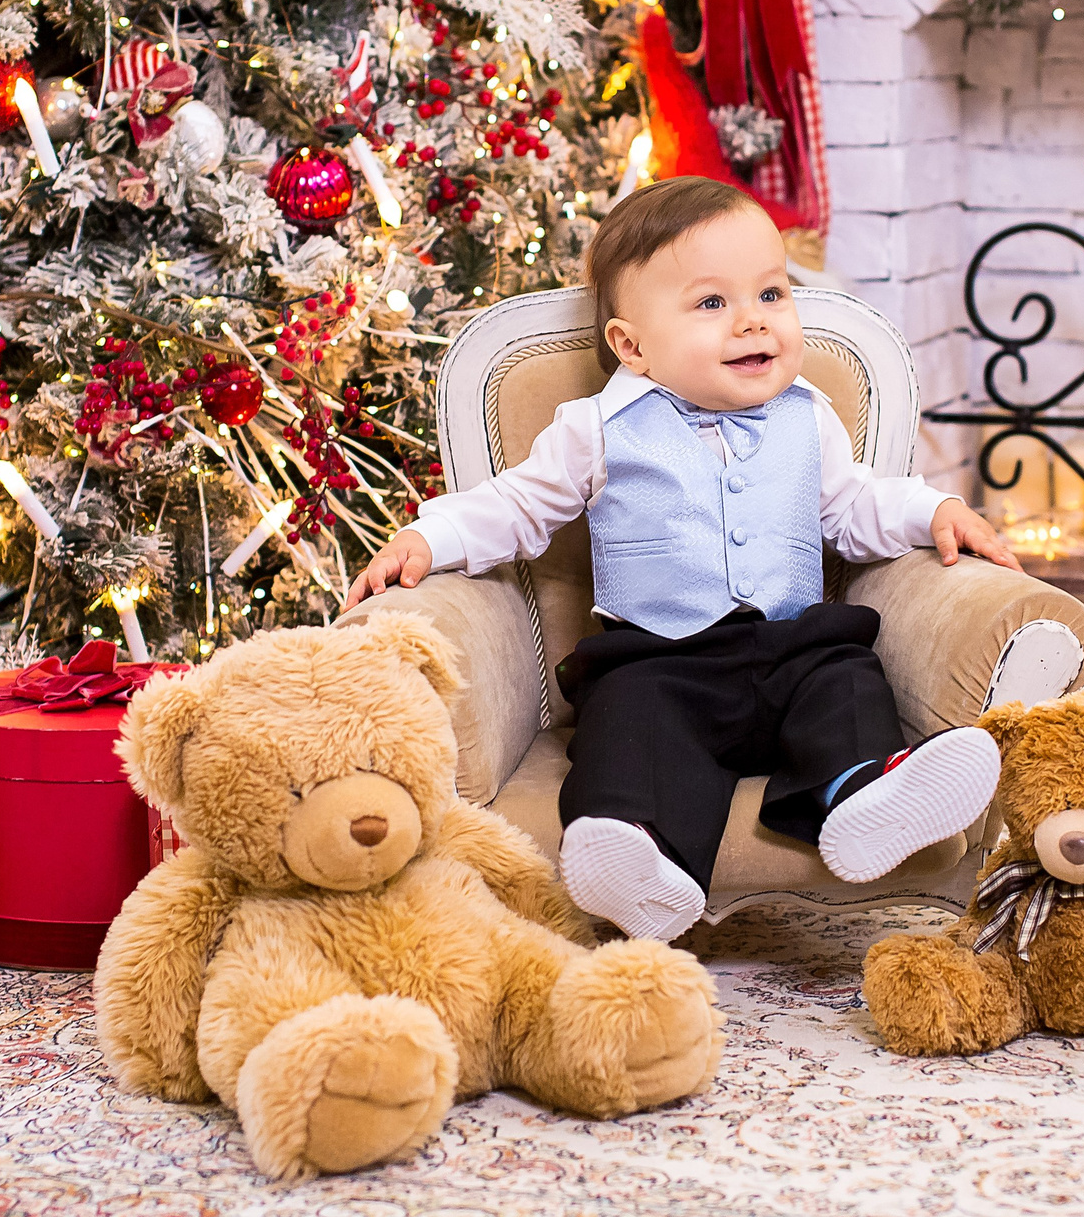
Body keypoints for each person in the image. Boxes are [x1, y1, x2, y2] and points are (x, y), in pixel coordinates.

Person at [348, 177, 1023, 941]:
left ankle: (861, 792)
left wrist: (933, 511)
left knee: (845, 671)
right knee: (629, 724)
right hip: (660, 658)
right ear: (632, 347)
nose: (752, 322)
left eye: (772, 293)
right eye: (712, 304)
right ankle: (637, 855)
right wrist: (425, 539)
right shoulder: (599, 428)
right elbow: (515, 506)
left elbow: (857, 504)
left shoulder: (808, 415)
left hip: (787, 649)